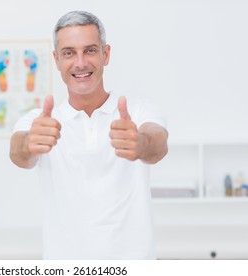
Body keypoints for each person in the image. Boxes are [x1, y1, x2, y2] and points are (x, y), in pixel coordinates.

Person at [10, 10, 168, 259]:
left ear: (106, 55)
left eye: (90, 50)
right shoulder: (40, 121)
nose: (80, 62)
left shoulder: (139, 112)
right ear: (57, 59)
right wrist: (30, 143)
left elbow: (158, 143)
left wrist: (141, 143)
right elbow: (18, 152)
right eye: (69, 53)